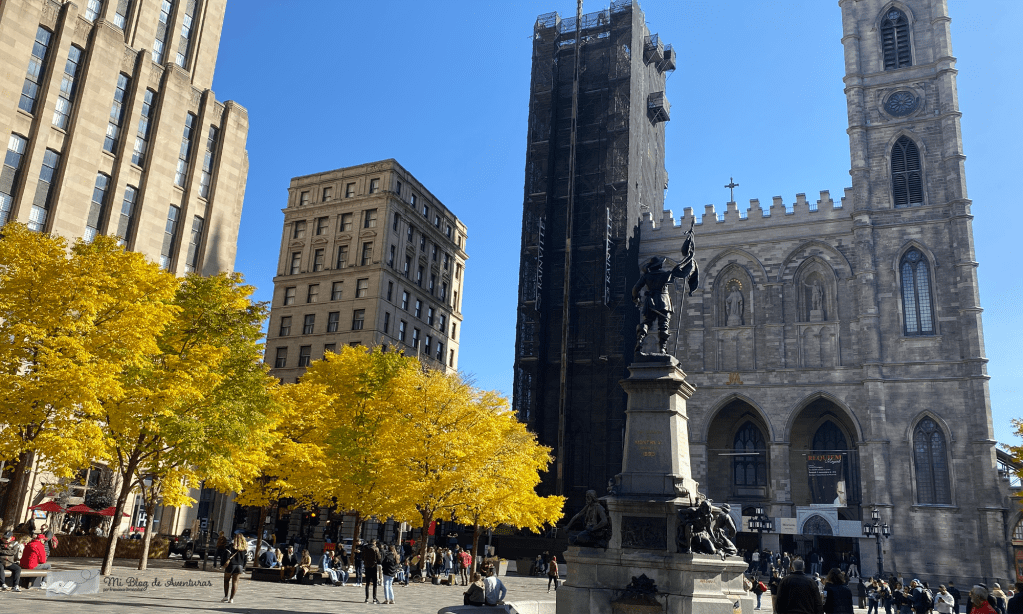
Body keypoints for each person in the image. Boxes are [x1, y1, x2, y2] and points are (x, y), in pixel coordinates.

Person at [220, 533, 247, 604]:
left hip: (231, 565)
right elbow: (245, 560)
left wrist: (222, 564)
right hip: (239, 567)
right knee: (235, 582)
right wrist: (243, 567)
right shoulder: (244, 549)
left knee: (226, 580)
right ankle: (231, 598)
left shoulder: (231, 547)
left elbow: (226, 556)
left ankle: (226, 596)